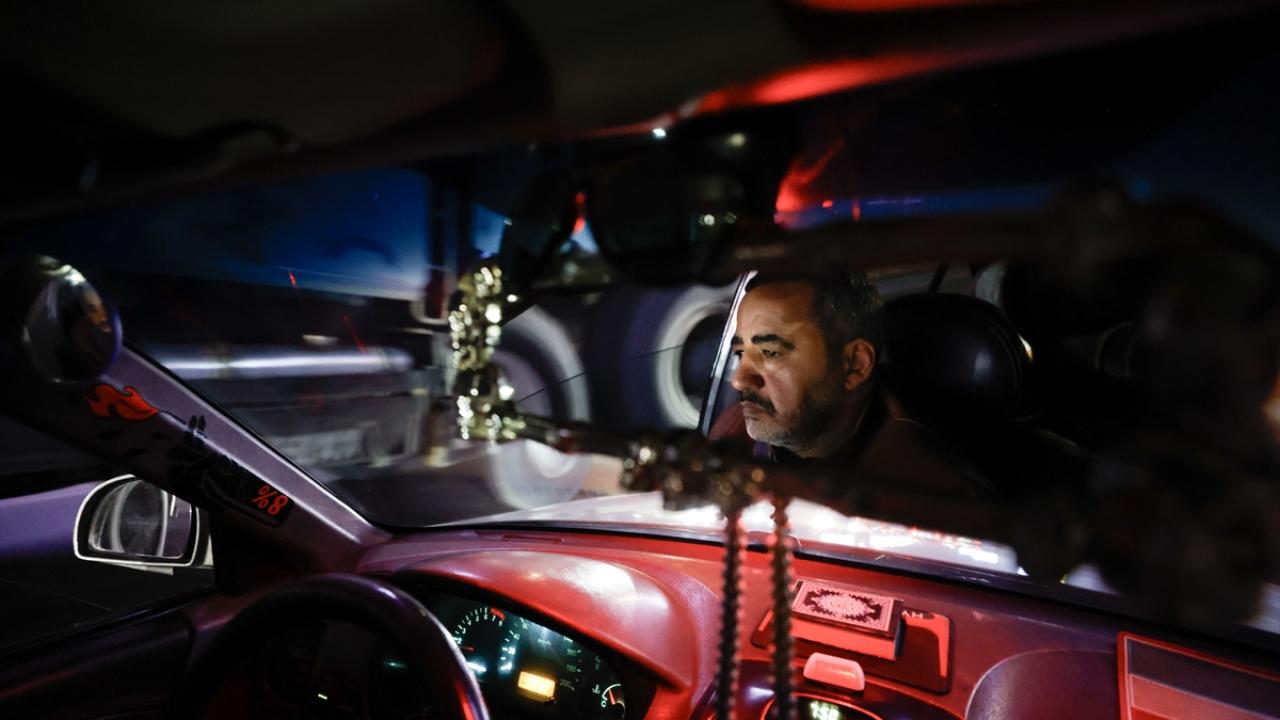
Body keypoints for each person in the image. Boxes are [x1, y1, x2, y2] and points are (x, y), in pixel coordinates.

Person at [724, 272, 995, 498]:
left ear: (855, 365)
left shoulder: (924, 492)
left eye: (770, 353)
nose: (738, 379)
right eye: (740, 353)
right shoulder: (733, 432)